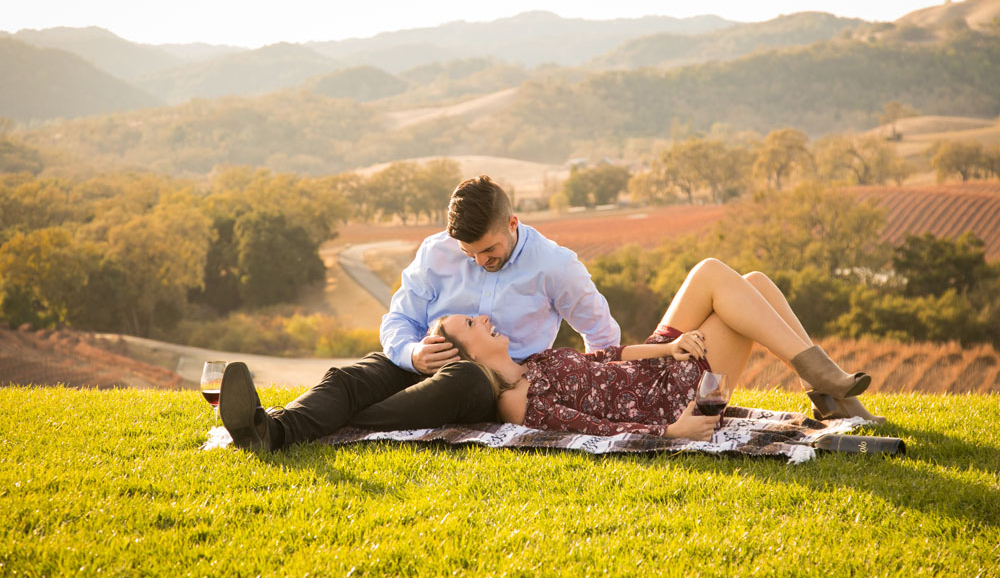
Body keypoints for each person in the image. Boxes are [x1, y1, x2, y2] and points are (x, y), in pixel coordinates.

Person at [219, 175, 621, 451]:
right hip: (421, 363)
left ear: (513, 223)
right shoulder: (436, 251)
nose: (480, 261)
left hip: (493, 383)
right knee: (349, 378)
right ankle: (270, 431)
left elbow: (603, 338)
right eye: (469, 253)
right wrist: (412, 354)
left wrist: (577, 390)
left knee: (467, 381)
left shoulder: (556, 266)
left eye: (489, 251)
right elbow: (397, 320)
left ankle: (341, 421)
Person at [428, 257, 883, 441]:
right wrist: (672, 433)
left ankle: (824, 387)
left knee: (750, 282)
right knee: (742, 288)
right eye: (470, 323)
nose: (483, 317)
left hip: (662, 365)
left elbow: (610, 357)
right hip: (674, 401)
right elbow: (593, 431)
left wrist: (670, 348)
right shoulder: (514, 401)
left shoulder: (536, 360)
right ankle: (825, 385)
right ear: (465, 355)